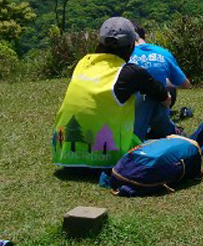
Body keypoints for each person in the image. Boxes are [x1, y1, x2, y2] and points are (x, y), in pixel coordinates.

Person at [52, 17, 171, 168]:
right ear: (131, 46)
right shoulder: (132, 72)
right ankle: (175, 135)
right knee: (150, 97)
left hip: (65, 157)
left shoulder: (83, 63)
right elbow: (165, 100)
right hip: (112, 159)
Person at [131, 25, 192, 138]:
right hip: (161, 105)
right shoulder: (163, 53)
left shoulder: (123, 56)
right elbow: (186, 84)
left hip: (129, 117)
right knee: (161, 89)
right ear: (144, 36)